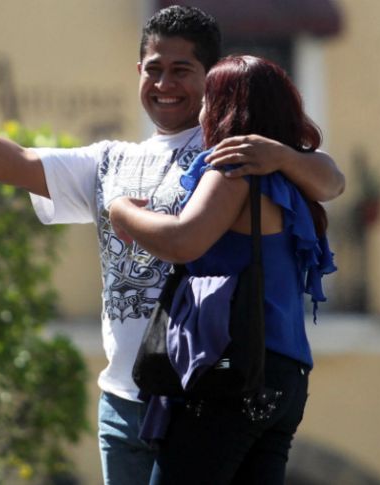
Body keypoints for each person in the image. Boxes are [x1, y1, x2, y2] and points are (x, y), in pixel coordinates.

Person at [0, 6, 345, 485]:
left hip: (202, 389)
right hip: (125, 397)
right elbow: (19, 161)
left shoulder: (230, 147)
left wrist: (282, 155)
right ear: (138, 71)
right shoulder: (111, 161)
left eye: (181, 70)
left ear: (211, 79)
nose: (164, 84)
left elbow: (330, 179)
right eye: (154, 69)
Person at [108, 54, 337, 485]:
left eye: (207, 101)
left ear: (224, 108)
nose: (200, 113)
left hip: (234, 368)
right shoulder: (292, 175)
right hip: (286, 376)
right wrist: (284, 154)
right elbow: (334, 180)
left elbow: (182, 241)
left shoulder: (234, 169)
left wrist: (121, 210)